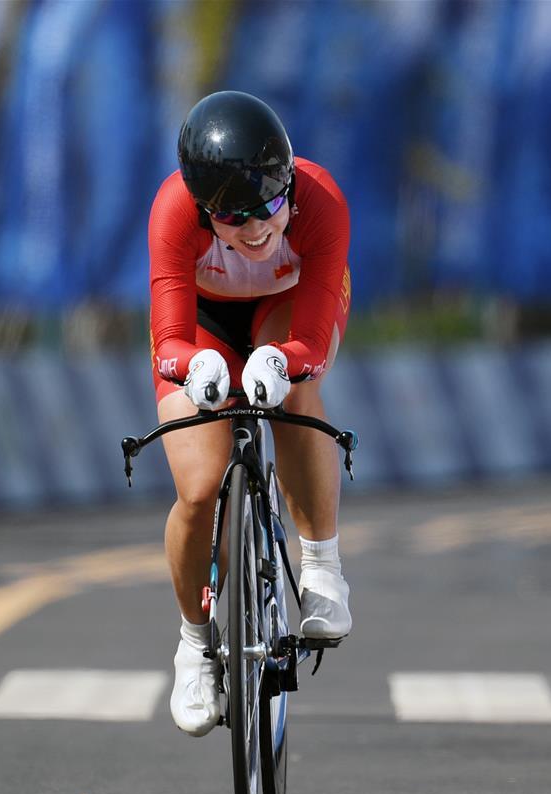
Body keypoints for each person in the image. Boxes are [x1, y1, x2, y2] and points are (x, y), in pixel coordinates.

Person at [149, 91, 352, 736]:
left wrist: (285, 361)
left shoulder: (320, 202)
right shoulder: (173, 213)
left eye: (271, 202)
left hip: (289, 310)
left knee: (296, 391)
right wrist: (194, 369)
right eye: (235, 217)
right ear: (206, 212)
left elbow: (314, 343)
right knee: (200, 486)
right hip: (205, 325)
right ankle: (194, 642)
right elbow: (168, 341)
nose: (259, 226)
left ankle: (321, 568)